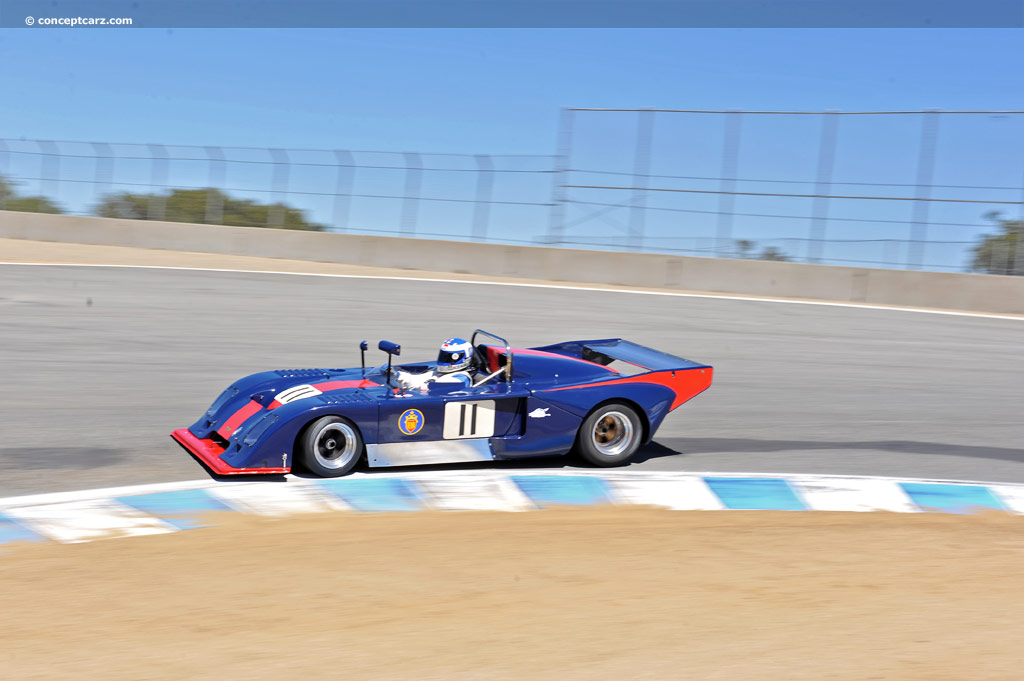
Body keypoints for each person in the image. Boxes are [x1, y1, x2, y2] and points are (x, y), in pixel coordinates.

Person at [394, 338, 477, 390]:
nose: (444, 360)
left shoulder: (460, 379)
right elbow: (418, 379)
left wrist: (404, 379)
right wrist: (397, 375)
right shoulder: (439, 372)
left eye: (448, 358)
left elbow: (426, 387)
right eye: (443, 356)